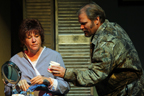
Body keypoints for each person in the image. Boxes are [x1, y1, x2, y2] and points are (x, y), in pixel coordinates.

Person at [50, 2, 144, 96]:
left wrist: (65, 73)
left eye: (84, 23)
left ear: (97, 20)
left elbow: (95, 75)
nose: (81, 27)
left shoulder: (106, 41)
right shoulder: (110, 27)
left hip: (127, 92)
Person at [4, 19, 70, 96]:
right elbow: (7, 92)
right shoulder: (15, 60)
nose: (34, 40)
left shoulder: (54, 56)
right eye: (29, 37)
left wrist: (48, 81)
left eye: (37, 36)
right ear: (23, 41)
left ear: (41, 38)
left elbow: (65, 87)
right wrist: (16, 85)